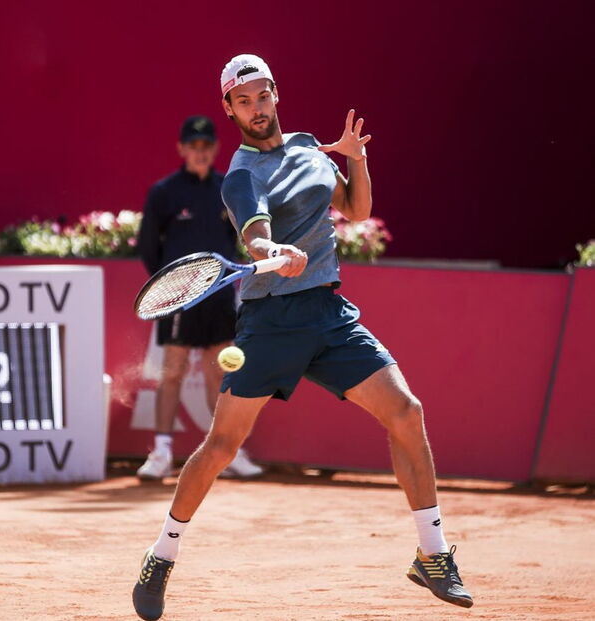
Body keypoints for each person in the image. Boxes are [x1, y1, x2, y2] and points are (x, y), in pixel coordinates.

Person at [132, 54, 473, 620]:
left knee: (406, 412)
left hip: (329, 315)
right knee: (221, 447)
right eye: (243, 101)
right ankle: (161, 553)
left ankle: (433, 554)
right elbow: (256, 236)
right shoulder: (240, 175)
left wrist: (357, 159)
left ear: (275, 94)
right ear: (229, 109)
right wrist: (274, 253)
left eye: (262, 96)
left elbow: (357, 209)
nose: (256, 108)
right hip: (270, 324)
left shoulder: (312, 147)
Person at [135, 115, 264, 482]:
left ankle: (228, 453)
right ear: (182, 149)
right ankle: (161, 454)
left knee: (218, 375)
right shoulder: (163, 192)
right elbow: (148, 247)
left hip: (220, 294)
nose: (200, 152)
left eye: (206, 146)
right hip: (178, 297)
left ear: (215, 149)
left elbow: (237, 239)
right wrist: (170, 288)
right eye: (193, 145)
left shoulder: (228, 189)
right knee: (172, 372)